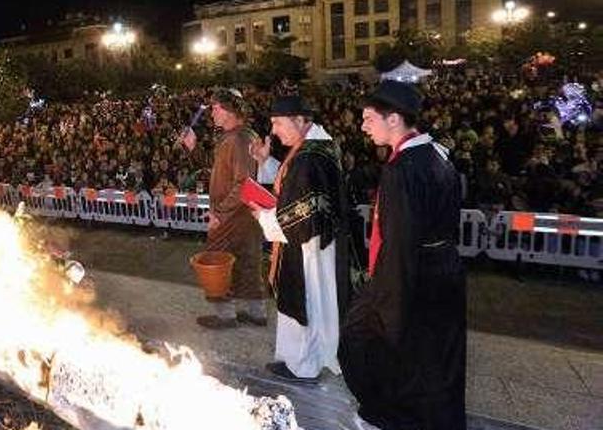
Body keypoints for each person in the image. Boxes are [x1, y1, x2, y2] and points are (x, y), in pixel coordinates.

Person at [339, 80, 466, 429]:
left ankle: (387, 415)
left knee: (363, 338)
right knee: (434, 361)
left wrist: (389, 308)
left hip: (413, 275)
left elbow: (400, 242)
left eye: (368, 118)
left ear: (393, 119)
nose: (362, 126)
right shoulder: (435, 155)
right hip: (442, 270)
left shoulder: (402, 170)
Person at [249, 95, 349, 380]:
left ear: (301, 120)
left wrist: (263, 217)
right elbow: (294, 184)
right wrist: (267, 162)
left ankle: (303, 365)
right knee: (313, 301)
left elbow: (300, 210)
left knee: (305, 300)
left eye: (278, 123)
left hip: (307, 246)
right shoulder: (314, 147)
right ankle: (300, 360)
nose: (275, 131)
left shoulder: (309, 158)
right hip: (316, 241)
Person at [181, 89, 267, 329]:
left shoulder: (238, 139)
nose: (212, 113)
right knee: (247, 262)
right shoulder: (239, 136)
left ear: (232, 110)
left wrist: (219, 214)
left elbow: (243, 183)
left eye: (216, 108)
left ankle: (226, 315)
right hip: (244, 215)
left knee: (216, 260)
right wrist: (193, 148)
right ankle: (257, 312)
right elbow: (219, 173)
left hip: (232, 216)